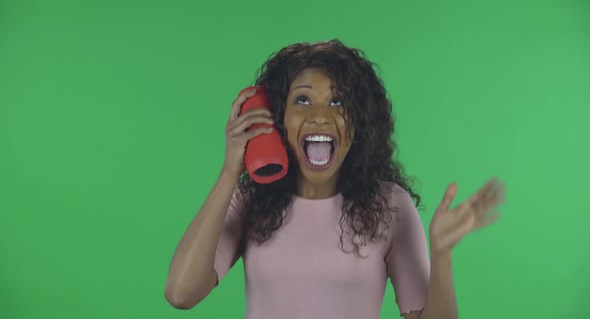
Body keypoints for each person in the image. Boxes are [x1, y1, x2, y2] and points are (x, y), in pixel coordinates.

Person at [164, 39, 506, 319]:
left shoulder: (390, 205)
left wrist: (442, 254)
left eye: (337, 101)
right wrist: (230, 172)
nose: (319, 116)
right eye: (302, 100)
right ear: (279, 118)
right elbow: (181, 293)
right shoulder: (251, 198)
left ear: (358, 122)